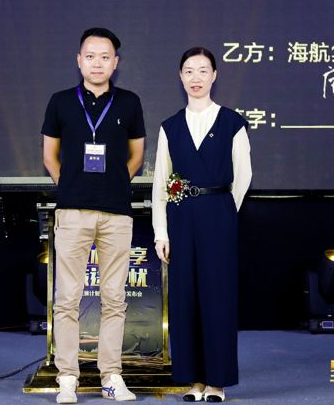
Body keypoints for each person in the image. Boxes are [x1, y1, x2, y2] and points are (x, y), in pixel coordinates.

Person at [42, 28, 146, 403]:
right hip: (72, 212)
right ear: (79, 60)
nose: (97, 63)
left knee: (114, 299)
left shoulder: (130, 102)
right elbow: (49, 156)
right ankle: (67, 377)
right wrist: (72, 185)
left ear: (115, 63)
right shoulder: (60, 102)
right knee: (67, 299)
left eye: (105, 56)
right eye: (90, 56)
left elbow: (136, 156)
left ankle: (111, 376)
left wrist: (113, 185)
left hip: (117, 214)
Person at [151, 47, 252, 403]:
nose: (196, 78)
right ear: (180, 77)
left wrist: (222, 212)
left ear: (214, 76)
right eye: (189, 71)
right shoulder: (169, 127)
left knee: (218, 296)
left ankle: (217, 382)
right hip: (181, 217)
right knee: (184, 298)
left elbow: (243, 176)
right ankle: (193, 380)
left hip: (217, 214)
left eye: (203, 70)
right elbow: (160, 184)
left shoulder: (232, 123)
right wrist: (161, 232)